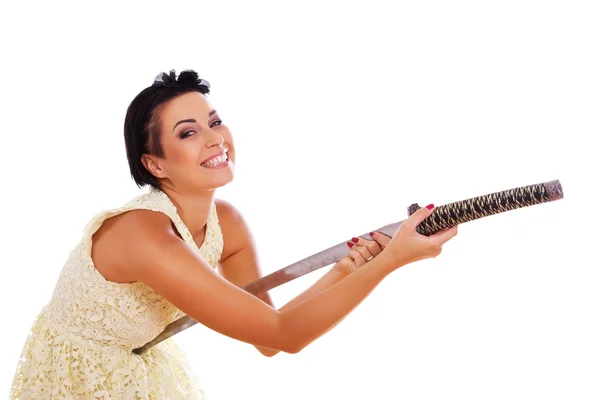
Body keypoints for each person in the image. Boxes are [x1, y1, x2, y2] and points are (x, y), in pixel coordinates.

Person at [9, 69, 458, 399]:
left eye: (214, 121)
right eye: (188, 132)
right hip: (74, 380)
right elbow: (284, 334)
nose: (214, 138)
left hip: (137, 362)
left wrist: (355, 266)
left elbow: (266, 338)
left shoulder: (229, 224)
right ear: (155, 164)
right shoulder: (142, 234)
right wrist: (393, 260)